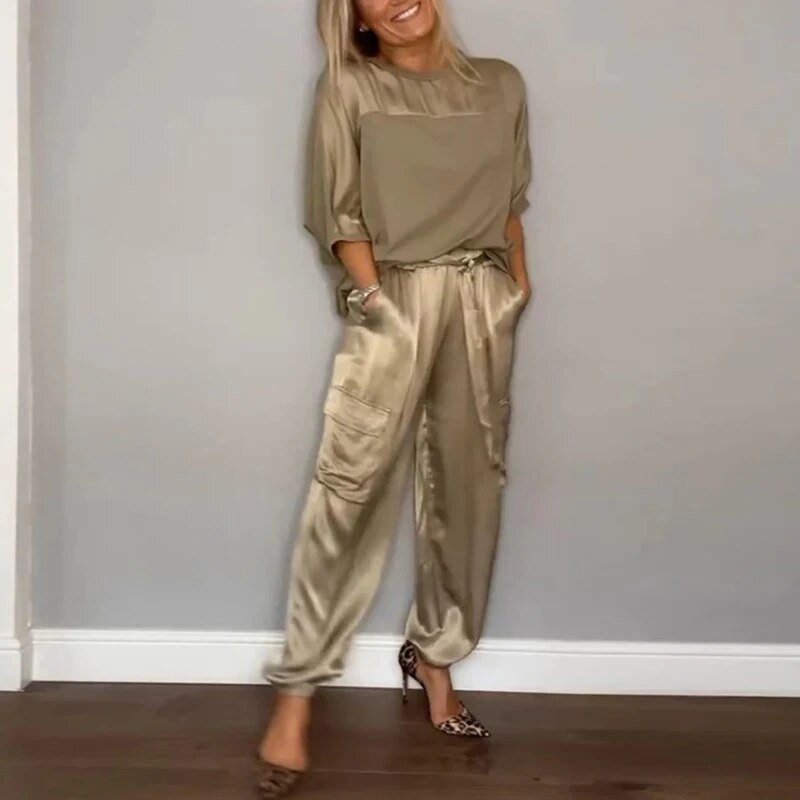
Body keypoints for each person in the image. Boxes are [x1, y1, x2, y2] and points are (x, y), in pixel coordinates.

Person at [256, 0, 532, 795]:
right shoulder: (350, 86)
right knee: (350, 489)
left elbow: (511, 201)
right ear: (356, 17)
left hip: (481, 298)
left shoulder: (502, 84)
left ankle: (436, 660)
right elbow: (337, 210)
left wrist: (516, 288)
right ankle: (297, 694)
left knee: (470, 486)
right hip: (396, 299)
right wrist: (378, 299)